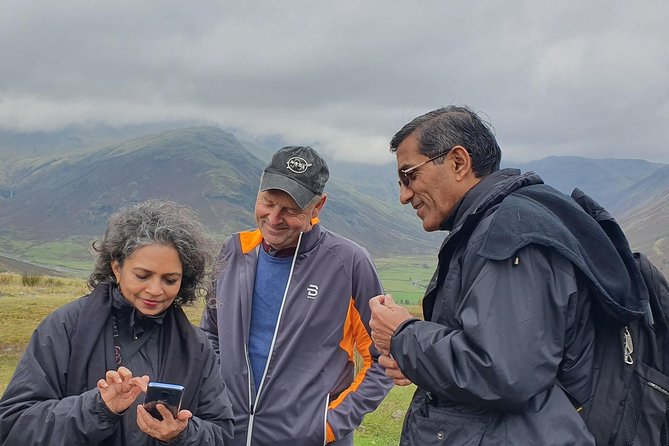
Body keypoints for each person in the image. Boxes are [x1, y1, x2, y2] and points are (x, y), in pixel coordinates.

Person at [368, 106, 645, 445]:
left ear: (458, 162)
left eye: (409, 175)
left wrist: (402, 334)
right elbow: (498, 346)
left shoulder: (509, 235)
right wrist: (419, 362)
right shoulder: (500, 224)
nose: (404, 195)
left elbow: (504, 370)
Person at [201, 145, 393, 445]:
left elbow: (382, 358)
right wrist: (216, 400)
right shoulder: (234, 249)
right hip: (229, 433)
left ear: (317, 207)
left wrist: (327, 426)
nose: (274, 218)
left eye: (290, 210)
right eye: (267, 202)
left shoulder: (349, 263)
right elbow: (211, 334)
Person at [0, 200, 234, 445]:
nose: (155, 290)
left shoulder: (196, 347)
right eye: (142, 276)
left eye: (170, 280)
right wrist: (99, 408)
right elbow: (14, 424)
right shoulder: (66, 327)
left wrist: (183, 434)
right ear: (117, 268)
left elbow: (222, 434)